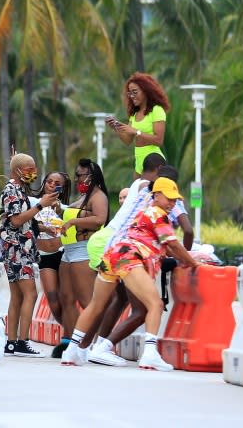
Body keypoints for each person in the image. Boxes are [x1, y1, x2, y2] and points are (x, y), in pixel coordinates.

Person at [61, 178, 199, 371]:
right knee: (155, 304)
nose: (172, 203)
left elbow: (165, 246)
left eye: (175, 200)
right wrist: (193, 263)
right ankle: (150, 354)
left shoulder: (143, 212)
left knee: (96, 304)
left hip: (113, 255)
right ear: (156, 195)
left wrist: (183, 257)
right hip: (129, 258)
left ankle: (72, 351)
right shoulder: (157, 213)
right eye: (169, 198)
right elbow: (173, 244)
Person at [0, 153, 59, 357]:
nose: (33, 173)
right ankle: (22, 342)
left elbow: (23, 221)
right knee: (30, 294)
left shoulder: (18, 191)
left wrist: (42, 228)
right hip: (18, 249)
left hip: (17, 247)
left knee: (17, 296)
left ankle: (11, 342)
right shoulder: (11, 191)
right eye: (29, 169)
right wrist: (40, 205)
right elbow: (16, 221)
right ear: (17, 170)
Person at [57, 158, 110, 348]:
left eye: (81, 175)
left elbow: (99, 219)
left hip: (84, 249)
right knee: (67, 299)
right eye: (76, 175)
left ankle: (95, 343)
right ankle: (71, 342)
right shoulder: (85, 197)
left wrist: (73, 222)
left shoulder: (98, 196)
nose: (78, 178)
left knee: (87, 301)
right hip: (68, 250)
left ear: (92, 175)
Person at [31, 171, 70, 357]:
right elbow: (24, 221)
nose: (52, 185)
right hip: (44, 256)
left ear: (63, 187)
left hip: (62, 253)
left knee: (66, 298)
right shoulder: (33, 203)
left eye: (57, 183)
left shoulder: (66, 208)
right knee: (53, 299)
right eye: (49, 181)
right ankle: (73, 332)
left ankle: (70, 338)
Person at [106, 72, 170, 177]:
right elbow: (128, 141)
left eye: (135, 92)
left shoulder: (157, 110)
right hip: (139, 159)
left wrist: (137, 131)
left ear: (145, 90)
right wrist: (115, 127)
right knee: (135, 192)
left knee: (148, 192)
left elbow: (159, 140)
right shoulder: (134, 114)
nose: (132, 96)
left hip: (153, 160)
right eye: (129, 93)